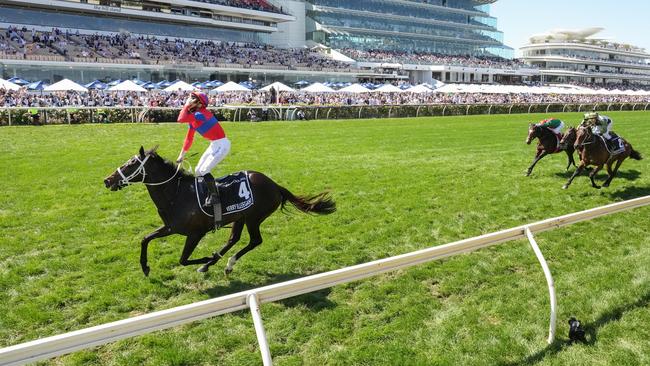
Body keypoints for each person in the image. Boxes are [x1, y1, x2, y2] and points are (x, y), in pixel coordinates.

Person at [176, 91, 230, 227]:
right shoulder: (194, 118)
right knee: (198, 171)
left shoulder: (200, 114)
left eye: (193, 98)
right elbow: (189, 138)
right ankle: (204, 196)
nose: (190, 99)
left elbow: (180, 119)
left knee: (204, 169)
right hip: (214, 144)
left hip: (222, 144)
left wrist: (186, 105)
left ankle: (215, 197)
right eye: (190, 97)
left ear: (200, 104)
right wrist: (181, 155)